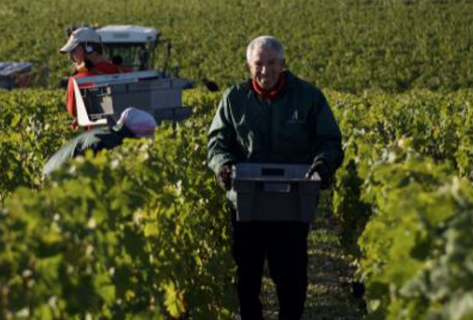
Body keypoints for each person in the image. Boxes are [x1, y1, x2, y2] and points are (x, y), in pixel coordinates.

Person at [207, 36, 344, 320]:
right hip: (246, 202)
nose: (265, 70)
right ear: (249, 65)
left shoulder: (308, 97)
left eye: (271, 63)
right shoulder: (234, 98)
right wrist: (224, 166)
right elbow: (218, 143)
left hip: (291, 202)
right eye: (259, 63)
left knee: (291, 278)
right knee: (247, 278)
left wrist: (322, 166)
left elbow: (329, 141)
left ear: (283, 64)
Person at [43, 107, 157, 176]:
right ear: (134, 135)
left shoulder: (108, 133)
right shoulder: (109, 145)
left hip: (50, 174)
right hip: (54, 182)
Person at [59, 27, 131, 128]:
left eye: (74, 51)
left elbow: (73, 112)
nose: (71, 58)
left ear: (90, 49)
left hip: (98, 140)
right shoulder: (128, 73)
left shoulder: (77, 81)